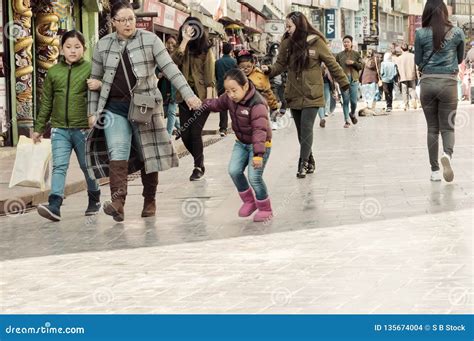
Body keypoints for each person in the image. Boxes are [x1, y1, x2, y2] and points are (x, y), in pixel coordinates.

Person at [87, 1, 201, 222]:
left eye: (131, 19)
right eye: (123, 20)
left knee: (147, 152)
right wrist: (93, 111)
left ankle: (150, 199)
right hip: (114, 108)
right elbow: (95, 80)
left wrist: (188, 95)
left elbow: (170, 69)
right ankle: (118, 203)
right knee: (117, 151)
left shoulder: (150, 40)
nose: (128, 24)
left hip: (144, 106)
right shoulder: (102, 45)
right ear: (113, 22)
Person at [262, 11, 349, 178]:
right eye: (286, 27)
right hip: (293, 92)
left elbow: (331, 63)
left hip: (312, 93)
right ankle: (310, 159)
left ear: (299, 25)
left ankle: (302, 163)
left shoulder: (316, 42)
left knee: (307, 128)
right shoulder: (286, 42)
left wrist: (344, 83)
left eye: (289, 26)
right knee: (301, 132)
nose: (287, 30)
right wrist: (269, 70)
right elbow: (280, 64)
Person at [31, 30, 101, 222]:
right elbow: (46, 102)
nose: (72, 51)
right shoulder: (54, 72)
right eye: (68, 47)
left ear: (84, 49)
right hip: (59, 128)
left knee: (87, 167)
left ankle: (94, 198)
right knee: (59, 166)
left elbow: (100, 96)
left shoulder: (90, 69)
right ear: (61, 49)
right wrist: (38, 128)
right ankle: (55, 205)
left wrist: (100, 85)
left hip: (83, 129)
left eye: (77, 47)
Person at [201, 68, 272, 222]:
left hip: (259, 145)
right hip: (241, 143)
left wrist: (258, 155)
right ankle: (249, 201)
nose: (231, 94)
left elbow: (260, 131)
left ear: (245, 86)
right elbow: (216, 104)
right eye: (227, 91)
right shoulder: (229, 99)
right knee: (234, 170)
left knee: (254, 177)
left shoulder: (257, 104)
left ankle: (265, 208)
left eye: (234, 90)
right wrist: (202, 104)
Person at [415, 0, 465, 182]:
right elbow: (460, 59)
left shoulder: (420, 33)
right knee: (448, 127)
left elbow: (419, 61)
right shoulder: (457, 32)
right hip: (449, 85)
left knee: (432, 129)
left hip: (427, 84)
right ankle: (447, 155)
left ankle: (435, 171)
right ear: (445, 11)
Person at [172, 16, 216, 181]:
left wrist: (210, 102)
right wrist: (184, 42)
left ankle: (198, 167)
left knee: (195, 133)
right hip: (183, 97)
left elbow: (210, 78)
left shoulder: (206, 50)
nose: (188, 31)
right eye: (185, 29)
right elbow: (172, 62)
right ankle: (200, 161)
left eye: (191, 29)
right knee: (185, 135)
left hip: (201, 97)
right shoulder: (180, 48)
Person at [236, 49, 280, 130]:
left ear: (253, 64)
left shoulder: (260, 76)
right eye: (242, 67)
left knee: (259, 131)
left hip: (259, 108)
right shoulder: (236, 78)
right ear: (238, 66)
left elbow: (268, 93)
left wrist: (274, 107)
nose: (245, 69)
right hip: (243, 111)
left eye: (248, 66)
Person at [336, 35, 363, 128]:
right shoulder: (339, 55)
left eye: (348, 42)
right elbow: (335, 68)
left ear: (351, 43)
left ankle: (352, 113)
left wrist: (353, 63)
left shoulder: (356, 54)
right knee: (346, 101)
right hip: (343, 81)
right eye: (344, 42)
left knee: (354, 102)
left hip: (354, 80)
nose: (346, 43)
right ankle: (347, 120)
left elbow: (361, 66)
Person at [158, 36, 180, 137]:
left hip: (175, 86)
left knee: (171, 112)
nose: (170, 45)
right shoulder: (162, 54)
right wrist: (158, 73)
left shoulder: (179, 55)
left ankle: (168, 136)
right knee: (166, 112)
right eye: (168, 43)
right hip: (164, 86)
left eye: (172, 43)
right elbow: (156, 66)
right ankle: (182, 128)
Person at [215, 42, 237, 136]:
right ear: (231, 51)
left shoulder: (217, 62)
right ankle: (236, 127)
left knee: (223, 108)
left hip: (221, 87)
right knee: (234, 107)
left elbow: (216, 75)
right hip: (233, 88)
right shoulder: (234, 62)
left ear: (222, 50)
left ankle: (223, 129)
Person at [395, 43, 419, 110]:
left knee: (404, 91)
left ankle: (406, 105)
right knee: (412, 89)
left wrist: (398, 77)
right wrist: (417, 75)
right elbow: (417, 66)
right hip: (412, 75)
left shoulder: (398, 58)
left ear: (401, 49)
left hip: (403, 76)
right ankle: (414, 100)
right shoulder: (413, 56)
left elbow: (396, 69)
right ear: (408, 48)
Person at [359, 49, 379, 117]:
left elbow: (362, 69)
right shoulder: (375, 60)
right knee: (370, 95)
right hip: (370, 79)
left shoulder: (365, 60)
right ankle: (369, 108)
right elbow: (377, 68)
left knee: (367, 95)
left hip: (366, 79)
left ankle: (367, 108)